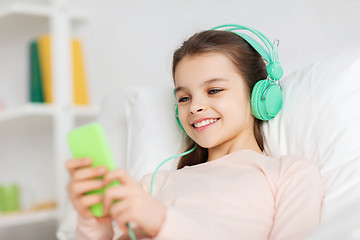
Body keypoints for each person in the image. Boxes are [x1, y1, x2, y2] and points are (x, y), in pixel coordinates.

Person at [65, 28, 324, 240]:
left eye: (213, 90)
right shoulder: (154, 184)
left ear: (260, 96)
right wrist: (93, 223)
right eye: (184, 97)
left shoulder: (289, 174)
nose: (195, 107)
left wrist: (161, 221)